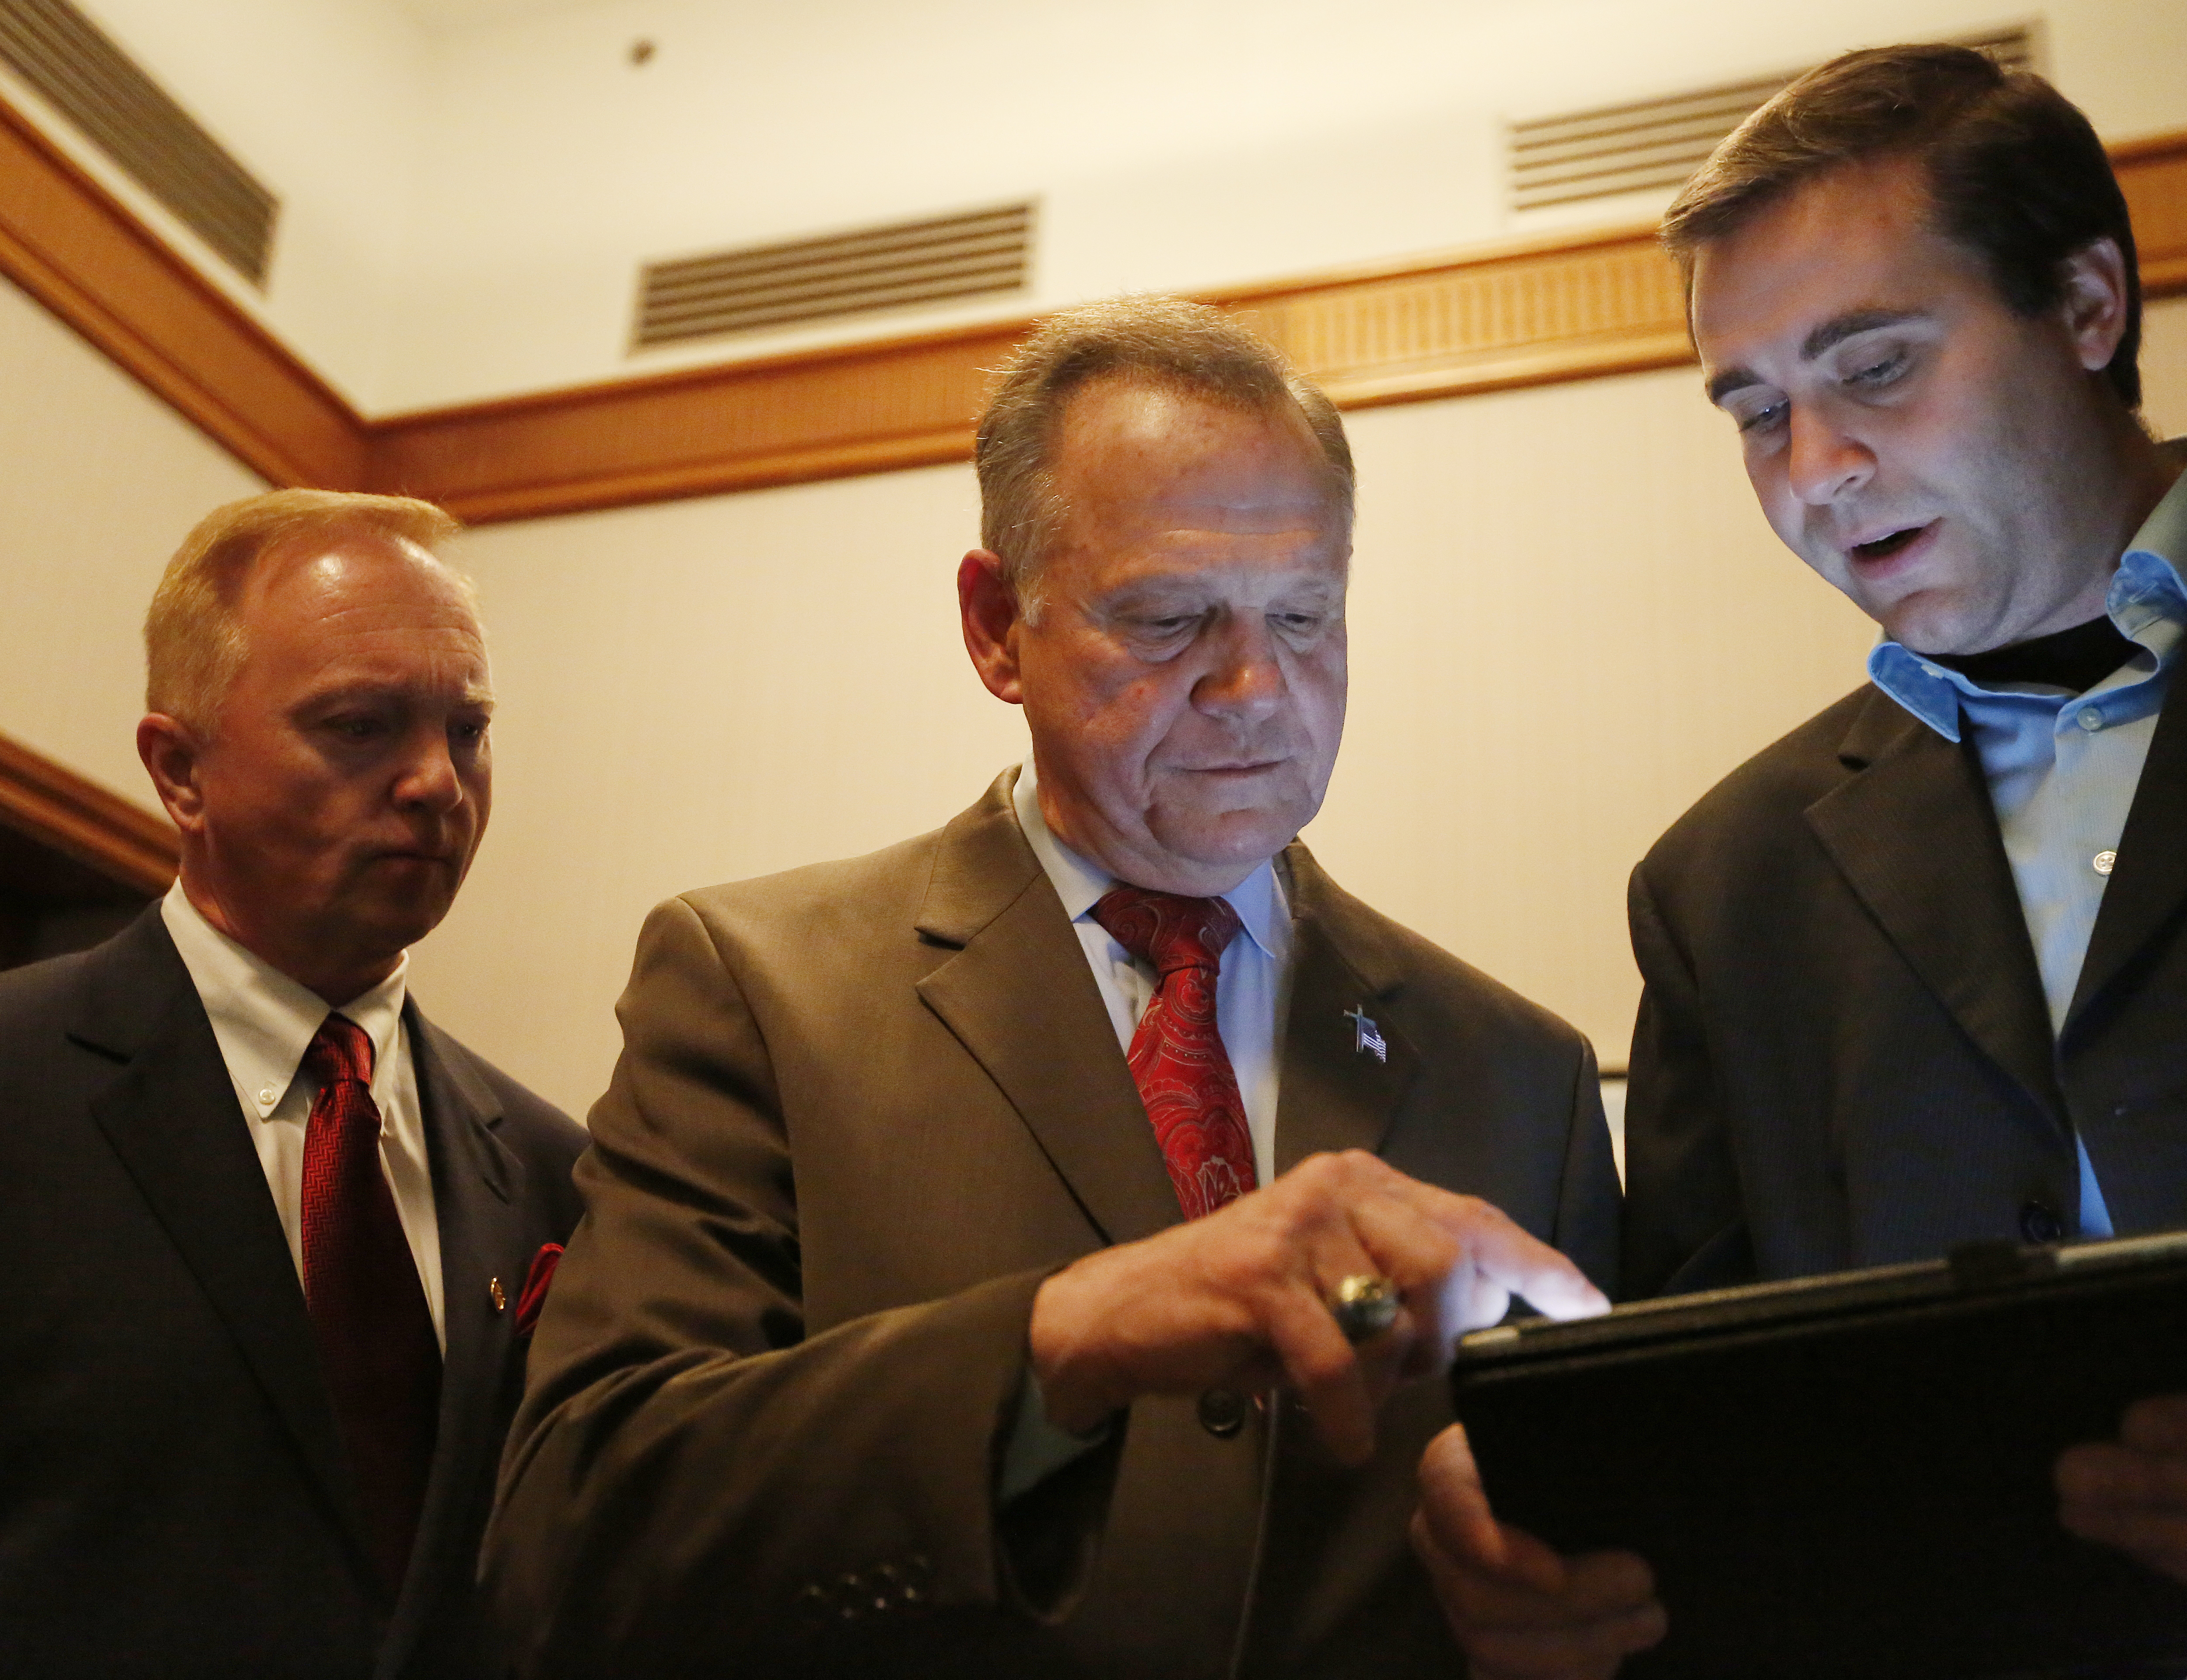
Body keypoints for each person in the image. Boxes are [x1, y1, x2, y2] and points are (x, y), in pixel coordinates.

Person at [482, 296, 1618, 1679]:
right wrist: (1061, 1341)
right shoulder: (759, 990)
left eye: (1307, 615)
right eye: (1168, 617)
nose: (1257, 687)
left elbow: (1619, 1537)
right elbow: (576, 1543)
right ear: (995, 625)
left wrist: (1545, 1581)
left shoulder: (1524, 1074)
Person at [1413, 45, 2187, 1673]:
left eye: (1874, 367)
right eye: (1757, 410)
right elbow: (1715, 1419)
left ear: (2087, 306)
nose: (1814, 471)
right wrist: (1523, 1486)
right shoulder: (1726, 888)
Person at [0, 489, 589, 1678]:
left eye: (468, 729)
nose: (438, 781)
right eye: (361, 726)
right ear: (180, 772)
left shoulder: (552, 1170)